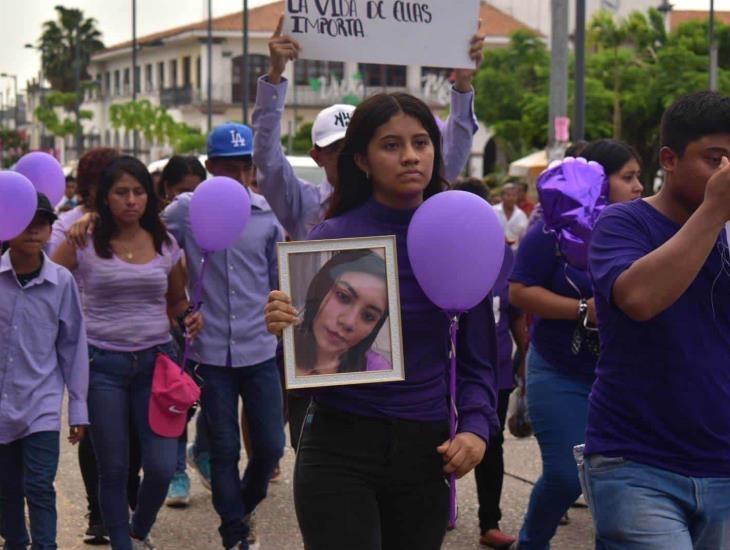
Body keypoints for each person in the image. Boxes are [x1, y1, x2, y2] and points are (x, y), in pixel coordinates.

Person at [264, 91, 498, 550]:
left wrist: (475, 426)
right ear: (362, 160)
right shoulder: (330, 238)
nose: (410, 156)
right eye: (391, 145)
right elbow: (303, 364)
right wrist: (282, 324)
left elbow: (478, 356)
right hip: (338, 445)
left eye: (421, 142)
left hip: (426, 449)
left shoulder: (462, 232)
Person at [580, 92, 730, 548]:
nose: (727, 173)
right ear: (669, 159)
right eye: (715, 159)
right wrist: (714, 209)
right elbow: (640, 298)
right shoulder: (622, 223)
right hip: (637, 463)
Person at [52, 156, 203, 550]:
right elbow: (49, 284)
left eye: (138, 192)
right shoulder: (83, 239)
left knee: (157, 466)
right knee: (114, 469)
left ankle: (136, 529)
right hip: (101, 366)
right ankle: (121, 541)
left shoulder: (164, 242)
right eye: (121, 192)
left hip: (155, 365)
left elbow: (175, 302)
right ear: (105, 197)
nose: (131, 200)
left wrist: (189, 317)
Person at [508, 138, 643, 550]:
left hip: (619, 379)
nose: (640, 186)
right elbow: (518, 293)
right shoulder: (548, 232)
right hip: (558, 371)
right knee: (567, 476)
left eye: (640, 176)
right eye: (629, 177)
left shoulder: (641, 229)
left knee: (624, 483)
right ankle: (531, 542)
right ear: (599, 184)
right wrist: (582, 309)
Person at [252, 16, 485, 242]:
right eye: (335, 148)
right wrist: (274, 75)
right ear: (317, 156)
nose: (410, 157)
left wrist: (463, 83)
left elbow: (453, 152)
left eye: (420, 143)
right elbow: (267, 157)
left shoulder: (409, 196)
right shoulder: (304, 205)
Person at [163, 122, 285, 550]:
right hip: (209, 353)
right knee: (225, 449)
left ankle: (241, 508)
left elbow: (277, 280)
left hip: (259, 349)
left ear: (252, 169)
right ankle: (234, 535)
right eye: (226, 167)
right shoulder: (184, 210)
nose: (236, 175)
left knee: (271, 447)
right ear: (210, 166)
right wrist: (177, 304)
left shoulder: (267, 215)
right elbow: (149, 245)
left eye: (243, 167)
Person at [0, 193, 88, 550]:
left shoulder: (62, 282)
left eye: (43, 222)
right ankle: (15, 541)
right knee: (6, 488)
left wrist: (78, 407)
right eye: (24, 221)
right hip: (2, 406)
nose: (34, 229)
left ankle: (45, 545)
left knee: (39, 484)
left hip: (42, 403)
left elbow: (73, 346)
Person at [453, 178, 528, 549]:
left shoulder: (502, 254)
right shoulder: (437, 248)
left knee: (490, 444)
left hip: (493, 370)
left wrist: (524, 356)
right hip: (444, 371)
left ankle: (489, 521)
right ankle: (440, 508)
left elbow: (515, 312)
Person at [294, 249, 390, 377]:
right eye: (343, 297)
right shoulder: (280, 342)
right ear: (321, 289)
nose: (348, 322)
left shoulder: (378, 371)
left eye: (368, 316)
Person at [494, 183, 528, 250]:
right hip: (495, 250)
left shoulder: (521, 215)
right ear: (502, 196)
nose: (511, 198)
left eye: (514, 195)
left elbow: (524, 236)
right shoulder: (493, 211)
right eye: (508, 195)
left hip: (514, 252)